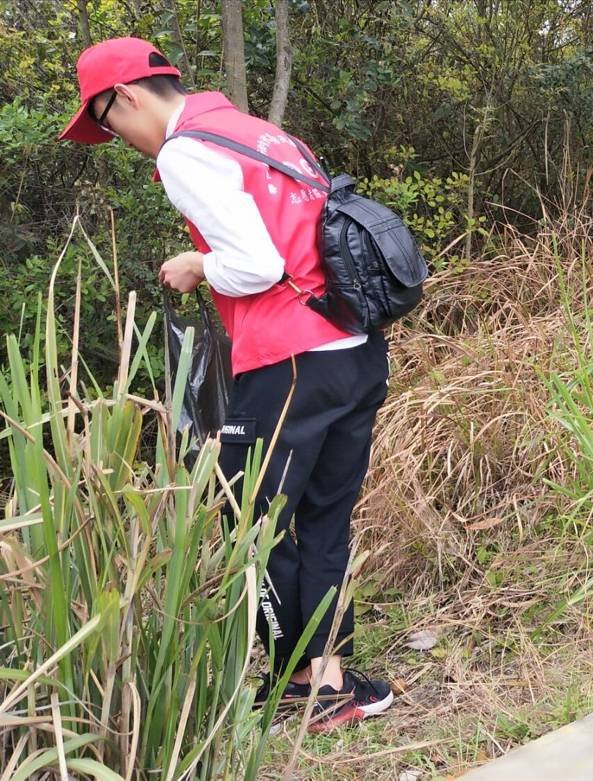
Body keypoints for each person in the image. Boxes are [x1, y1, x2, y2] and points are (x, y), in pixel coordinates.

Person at [59, 37, 393, 730]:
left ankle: (298, 679)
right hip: (354, 347)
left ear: (125, 96)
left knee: (247, 515)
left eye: (107, 121)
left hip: (290, 358)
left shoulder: (186, 150)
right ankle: (329, 683)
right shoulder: (257, 131)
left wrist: (196, 265)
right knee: (323, 518)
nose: (118, 138)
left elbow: (256, 264)